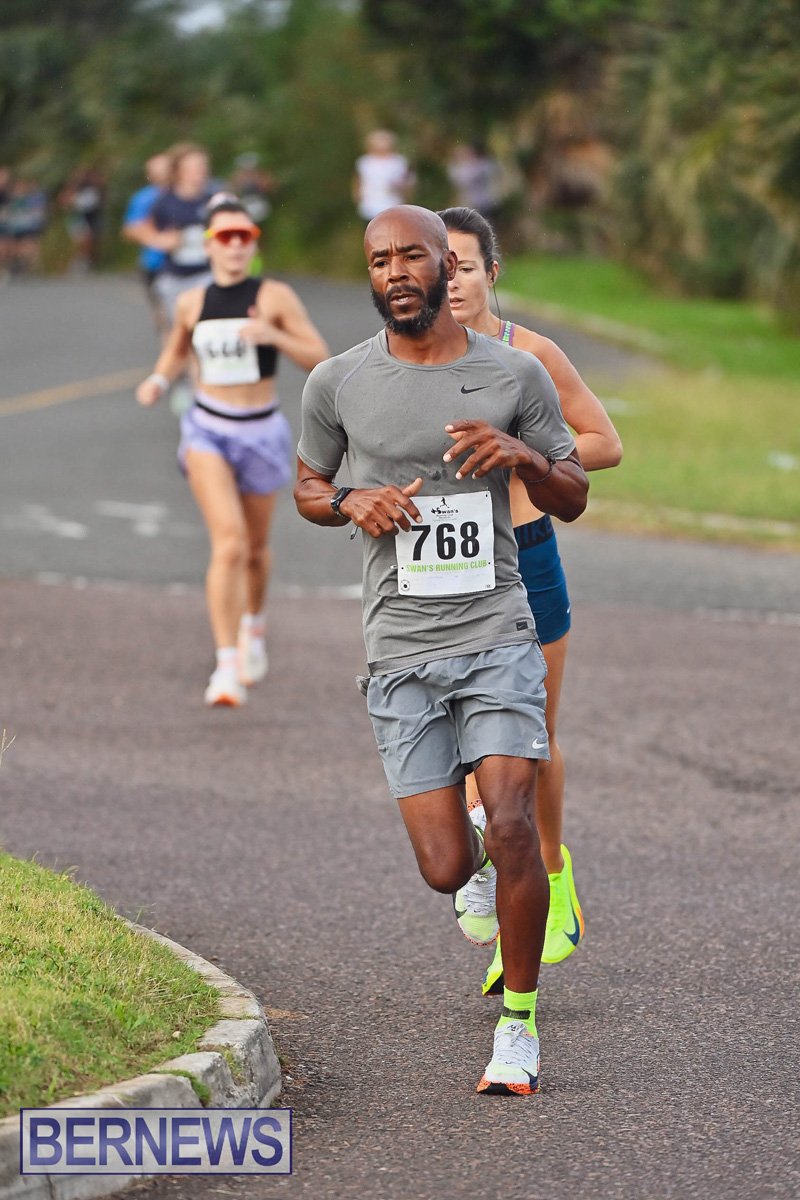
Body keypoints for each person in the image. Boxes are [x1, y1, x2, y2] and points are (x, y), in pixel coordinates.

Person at [295, 205, 588, 1095]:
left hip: (498, 626)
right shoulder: (337, 382)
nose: (395, 271)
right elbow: (309, 485)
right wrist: (350, 503)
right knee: (447, 867)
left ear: (445, 266)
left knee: (512, 824)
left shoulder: (514, 373)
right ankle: (470, 858)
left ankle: (520, 1029)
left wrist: (524, 459)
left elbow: (572, 491)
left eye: (411, 256)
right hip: (400, 645)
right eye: (379, 259)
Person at [440, 205, 622, 993]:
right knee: (450, 732)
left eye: (466, 266)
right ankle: (494, 858)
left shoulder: (530, 355)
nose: (452, 282)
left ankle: (548, 873)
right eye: (437, 267)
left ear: (492, 273)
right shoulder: (406, 358)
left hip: (527, 556)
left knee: (530, 736)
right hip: (445, 570)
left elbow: (604, 443)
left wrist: (525, 456)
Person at [136, 196, 329, 707]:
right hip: (206, 430)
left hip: (261, 432)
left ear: (253, 243)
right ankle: (225, 666)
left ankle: (254, 627)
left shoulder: (275, 297)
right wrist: (159, 378)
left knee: (255, 551)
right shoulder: (192, 302)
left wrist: (274, 335)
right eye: (226, 237)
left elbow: (321, 359)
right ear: (209, 245)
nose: (236, 245)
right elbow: (179, 346)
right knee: (229, 543)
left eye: (245, 236)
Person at [127, 143, 215, 324]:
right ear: (179, 171)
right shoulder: (160, 200)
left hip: (207, 275)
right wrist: (159, 240)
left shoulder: (213, 199)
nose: (201, 170)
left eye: (203, 166)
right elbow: (134, 227)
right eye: (194, 167)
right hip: (172, 276)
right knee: (176, 330)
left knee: (203, 326)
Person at [122, 153, 170, 334]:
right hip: (154, 264)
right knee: (165, 319)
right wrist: (155, 239)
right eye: (156, 171)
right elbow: (128, 230)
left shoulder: (187, 194)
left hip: (188, 264)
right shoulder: (144, 198)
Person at [352, 130, 414, 223]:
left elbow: (407, 182)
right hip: (369, 206)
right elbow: (358, 181)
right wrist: (358, 197)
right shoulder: (364, 162)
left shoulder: (398, 162)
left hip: (393, 204)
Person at [446, 142, 503, 220]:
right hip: (473, 204)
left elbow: (494, 170)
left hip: (484, 202)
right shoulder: (461, 169)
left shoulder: (480, 166)